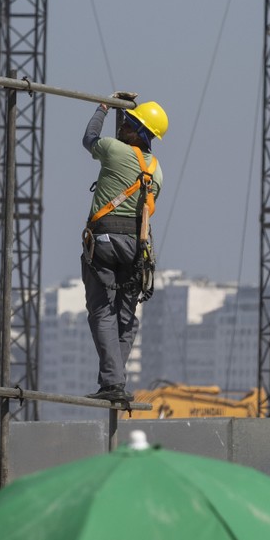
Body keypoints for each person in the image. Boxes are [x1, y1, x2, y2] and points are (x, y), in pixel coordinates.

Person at [79, 91, 168, 404]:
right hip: (136, 249)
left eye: (128, 124)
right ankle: (114, 380)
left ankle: (113, 382)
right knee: (127, 317)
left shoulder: (113, 150)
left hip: (103, 243)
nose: (122, 127)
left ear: (139, 131)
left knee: (103, 311)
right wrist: (122, 112)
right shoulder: (155, 169)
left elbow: (90, 137)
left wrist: (105, 107)